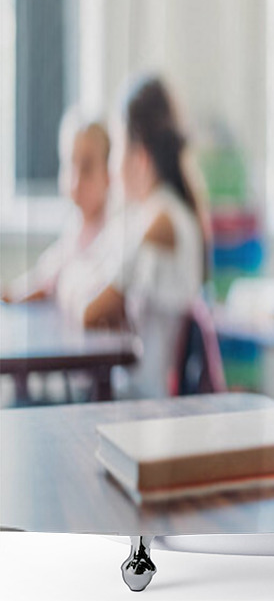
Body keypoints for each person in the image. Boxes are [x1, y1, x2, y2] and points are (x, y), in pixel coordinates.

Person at [61, 75, 207, 399]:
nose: (113, 167)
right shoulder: (155, 215)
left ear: (138, 155)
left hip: (143, 405)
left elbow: (88, 308)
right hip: (138, 397)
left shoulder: (159, 223)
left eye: (116, 149)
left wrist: (78, 287)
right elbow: (78, 274)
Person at [1, 107, 110, 304]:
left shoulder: (113, 238)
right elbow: (41, 278)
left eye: (87, 168)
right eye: (70, 164)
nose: (75, 181)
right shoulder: (74, 229)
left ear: (108, 174)